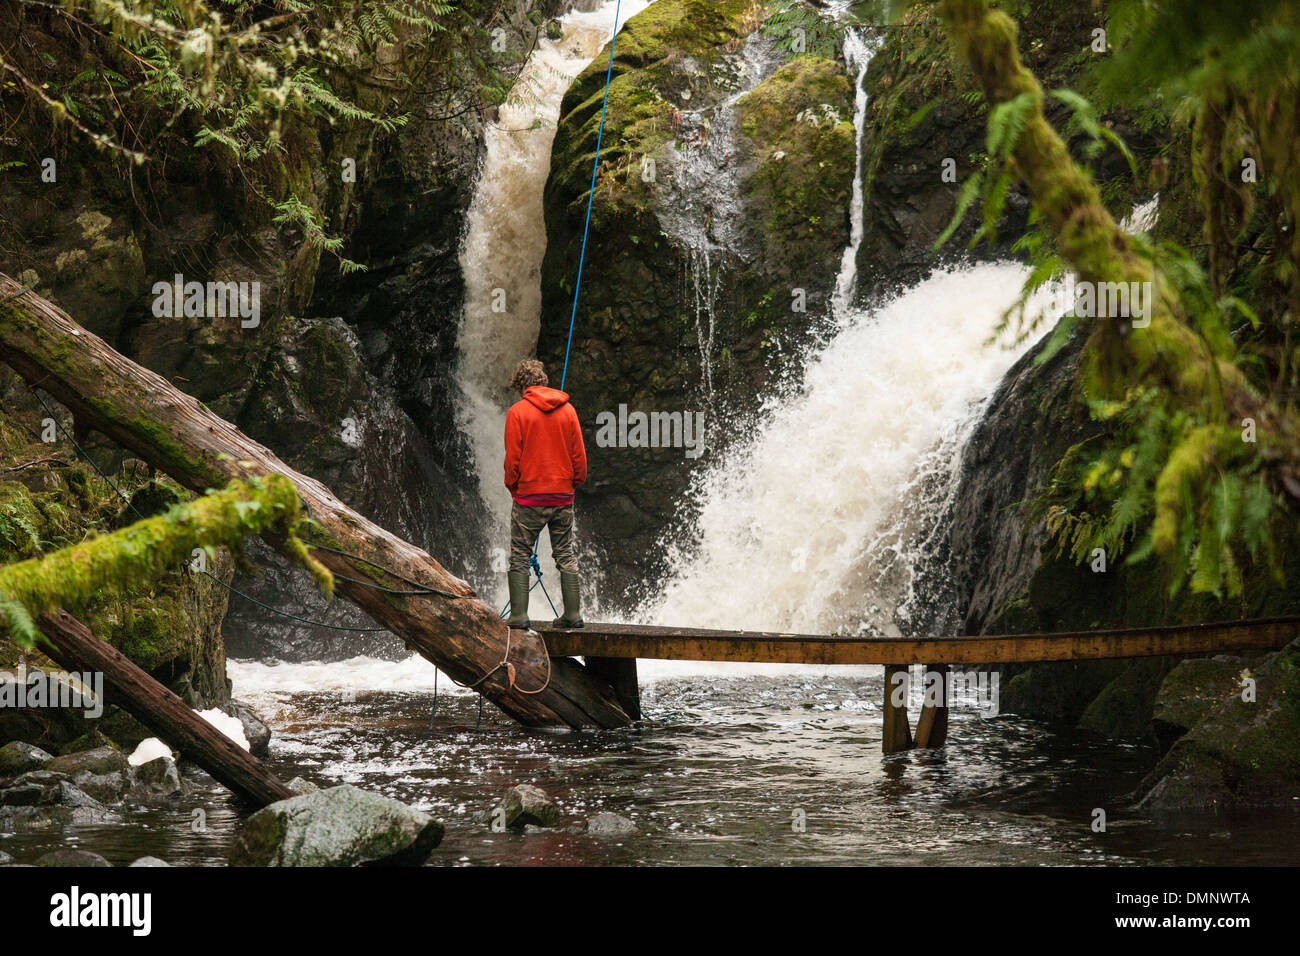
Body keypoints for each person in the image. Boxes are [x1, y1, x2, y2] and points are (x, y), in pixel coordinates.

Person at [503, 358, 586, 629]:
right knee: (565, 553)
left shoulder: (518, 412)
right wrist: (574, 482)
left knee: (520, 554)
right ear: (543, 381)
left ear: (521, 386)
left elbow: (513, 459)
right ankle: (573, 615)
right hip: (563, 495)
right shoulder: (569, 410)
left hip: (530, 497)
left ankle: (519, 616)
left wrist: (514, 486)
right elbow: (578, 456)